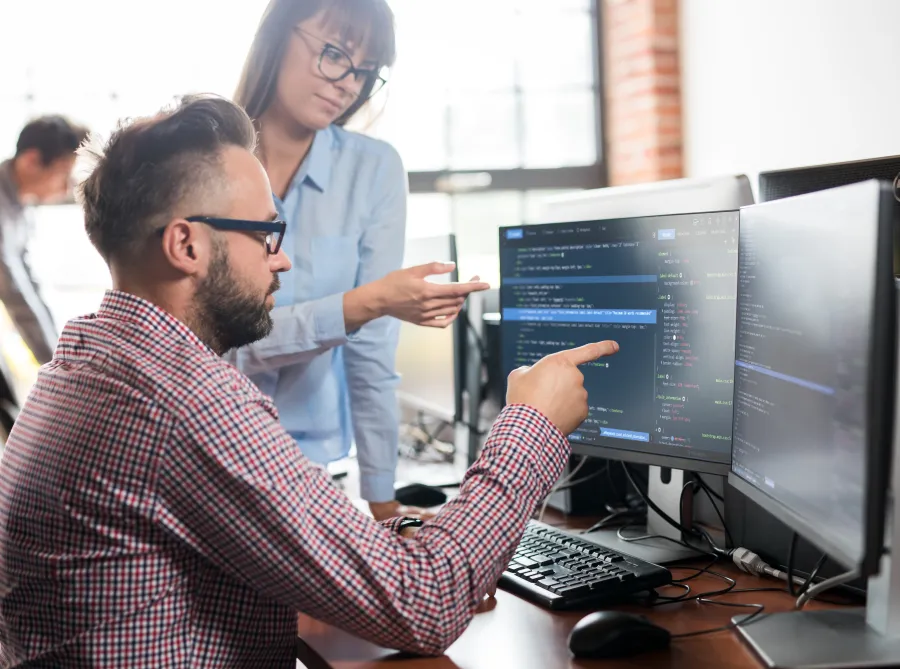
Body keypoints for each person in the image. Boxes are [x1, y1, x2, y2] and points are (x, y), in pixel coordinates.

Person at [0, 94, 619, 667]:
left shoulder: (88, 361)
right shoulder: (183, 398)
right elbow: (422, 603)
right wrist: (531, 425)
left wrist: (378, 542)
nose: (284, 259)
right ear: (185, 245)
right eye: (267, 233)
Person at [231, 0, 486, 521]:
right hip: (210, 449)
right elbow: (213, 345)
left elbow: (372, 352)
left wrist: (384, 502)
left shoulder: (374, 170)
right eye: (335, 55)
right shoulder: (210, 159)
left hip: (307, 468)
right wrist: (365, 302)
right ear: (277, 36)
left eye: (367, 71)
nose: (349, 83)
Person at [0, 115, 87, 364]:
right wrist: (57, 366)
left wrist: (59, 353)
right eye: (63, 176)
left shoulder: (20, 206)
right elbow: (16, 296)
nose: (66, 189)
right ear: (31, 161)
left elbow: (30, 286)